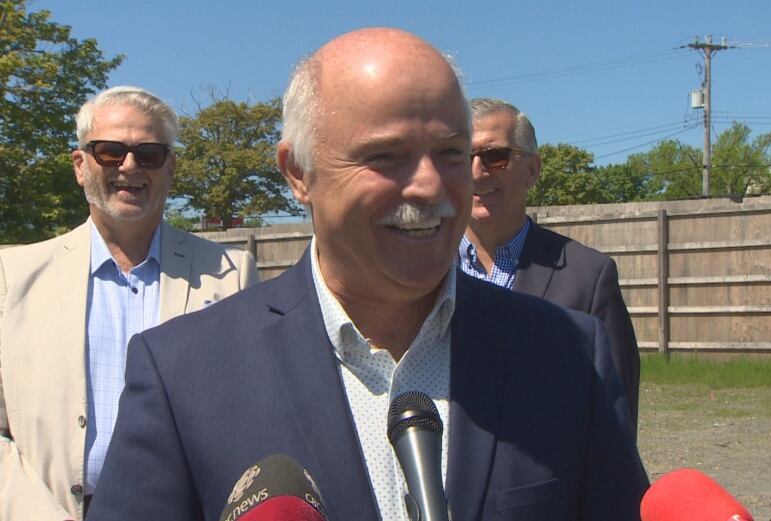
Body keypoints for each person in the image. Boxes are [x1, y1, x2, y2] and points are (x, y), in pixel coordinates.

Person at [87, 30, 648, 521]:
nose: (430, 186)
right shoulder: (183, 374)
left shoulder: (567, 354)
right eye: (387, 156)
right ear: (298, 174)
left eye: (451, 153)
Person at [0, 86, 259, 521]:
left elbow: (251, 415)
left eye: (150, 154)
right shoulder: (12, 278)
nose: (130, 166)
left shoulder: (231, 274)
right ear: (80, 166)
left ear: (170, 167)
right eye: (109, 151)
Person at [461, 98, 640, 429]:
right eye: (460, 156)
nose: (476, 171)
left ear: (532, 170)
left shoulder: (587, 278)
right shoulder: (422, 273)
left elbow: (617, 424)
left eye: (494, 156)